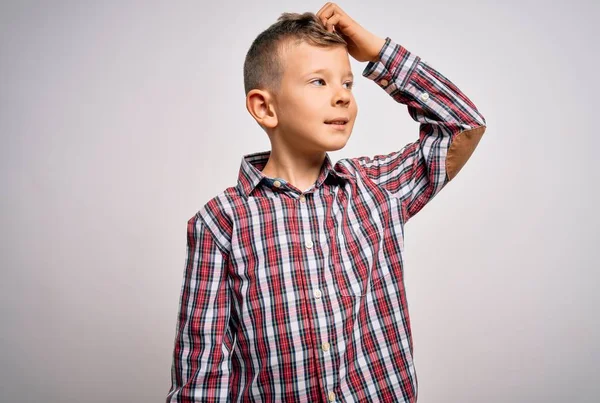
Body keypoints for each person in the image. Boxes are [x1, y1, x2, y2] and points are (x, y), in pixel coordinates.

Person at [166, 2, 487, 402]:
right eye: (319, 82)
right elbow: (202, 374)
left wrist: (378, 53)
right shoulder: (220, 223)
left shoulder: (374, 188)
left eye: (348, 84)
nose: (342, 97)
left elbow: (463, 125)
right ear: (265, 107)